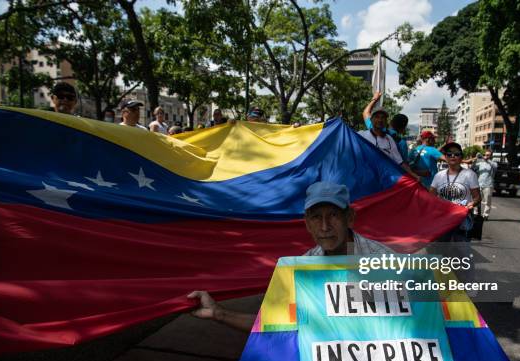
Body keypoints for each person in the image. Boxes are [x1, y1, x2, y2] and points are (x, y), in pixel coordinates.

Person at [188, 181, 393, 331]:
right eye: (316, 217)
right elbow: (276, 323)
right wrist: (219, 313)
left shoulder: (384, 261)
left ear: (349, 218)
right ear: (307, 224)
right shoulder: (301, 270)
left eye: (333, 215)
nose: (324, 227)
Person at [359, 92, 420, 181]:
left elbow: (401, 163)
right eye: (377, 117)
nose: (380, 120)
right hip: (367, 179)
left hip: (385, 181)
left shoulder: (390, 139)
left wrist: (414, 176)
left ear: (388, 121)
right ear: (371, 120)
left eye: (383, 118)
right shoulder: (362, 135)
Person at [429, 142, 481, 242]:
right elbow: (430, 197)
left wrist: (471, 204)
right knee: (442, 250)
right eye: (449, 154)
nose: (453, 156)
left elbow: (477, 197)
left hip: (461, 220)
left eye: (456, 154)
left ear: (461, 157)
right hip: (442, 219)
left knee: (461, 253)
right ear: (446, 157)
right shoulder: (439, 176)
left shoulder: (470, 174)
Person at [471, 150, 498, 220]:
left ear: (491, 156)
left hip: (488, 185)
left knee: (487, 201)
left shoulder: (494, 163)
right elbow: (473, 167)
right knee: (476, 200)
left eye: (488, 155)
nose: (486, 156)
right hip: (479, 184)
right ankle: (475, 213)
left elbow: (495, 167)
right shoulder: (481, 163)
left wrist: (486, 159)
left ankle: (485, 215)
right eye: (485, 154)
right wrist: (476, 158)